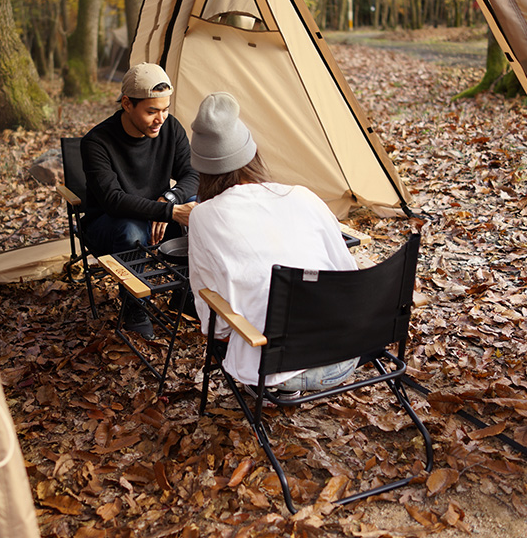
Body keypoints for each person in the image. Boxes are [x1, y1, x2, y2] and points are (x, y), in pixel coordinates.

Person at [187, 92, 359, 401]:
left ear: (203, 169)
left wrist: (223, 339)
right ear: (252, 154)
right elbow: (348, 272)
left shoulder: (203, 215)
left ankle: (276, 385)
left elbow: (212, 319)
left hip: (281, 368)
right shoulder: (301, 195)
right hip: (349, 351)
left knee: (224, 321)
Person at [81, 62, 199, 337]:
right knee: (130, 227)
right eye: (152, 111)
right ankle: (136, 304)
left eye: (165, 109)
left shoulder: (169, 129)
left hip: (156, 217)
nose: (161, 118)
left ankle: (187, 294)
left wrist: (168, 199)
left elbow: (192, 172)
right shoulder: (97, 142)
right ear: (127, 104)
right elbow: (113, 200)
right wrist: (167, 212)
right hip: (109, 226)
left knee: (199, 207)